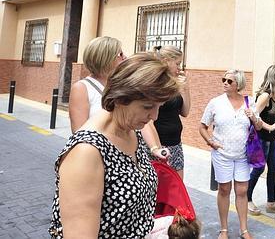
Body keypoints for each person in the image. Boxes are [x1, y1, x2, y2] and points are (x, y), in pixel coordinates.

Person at [49, 52, 180, 238]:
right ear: (120, 98)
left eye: (159, 106)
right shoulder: (87, 152)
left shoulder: (131, 130)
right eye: (147, 106)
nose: (155, 116)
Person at [199, 70, 261, 239]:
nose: (225, 83)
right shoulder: (215, 103)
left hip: (242, 155)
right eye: (224, 80)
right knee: (224, 189)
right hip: (222, 154)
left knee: (242, 191)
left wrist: (253, 118)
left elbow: (259, 126)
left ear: (238, 84)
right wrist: (211, 142)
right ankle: (224, 229)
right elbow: (202, 126)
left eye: (229, 81)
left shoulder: (249, 102)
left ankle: (244, 229)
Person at [247, 64, 275, 216]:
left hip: (271, 139)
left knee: (273, 168)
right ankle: (246, 199)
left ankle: (271, 202)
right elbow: (254, 115)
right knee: (259, 169)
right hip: (261, 139)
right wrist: (270, 127)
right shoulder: (265, 96)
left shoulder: (274, 96)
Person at [142, 46, 191, 178]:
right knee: (158, 188)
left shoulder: (174, 83)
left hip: (175, 144)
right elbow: (148, 121)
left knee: (177, 188)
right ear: (165, 61)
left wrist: (185, 88)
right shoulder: (154, 84)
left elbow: (185, 112)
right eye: (177, 63)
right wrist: (156, 147)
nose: (179, 68)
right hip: (158, 144)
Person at [68, 36, 125, 132]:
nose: (125, 57)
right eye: (121, 54)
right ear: (106, 58)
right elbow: (79, 133)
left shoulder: (120, 85)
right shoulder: (81, 88)